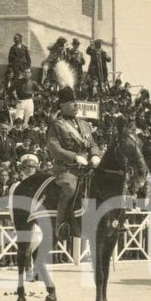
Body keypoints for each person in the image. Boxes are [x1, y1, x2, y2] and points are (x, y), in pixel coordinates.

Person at [47, 86, 102, 241]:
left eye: (76, 102)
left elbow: (92, 144)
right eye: (72, 103)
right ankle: (60, 225)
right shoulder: (56, 125)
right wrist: (74, 157)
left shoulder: (84, 124)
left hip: (86, 168)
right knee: (70, 189)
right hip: (66, 168)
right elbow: (54, 149)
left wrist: (95, 155)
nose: (76, 105)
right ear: (62, 106)